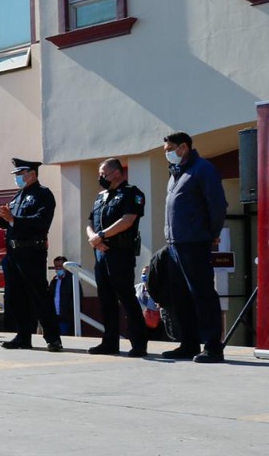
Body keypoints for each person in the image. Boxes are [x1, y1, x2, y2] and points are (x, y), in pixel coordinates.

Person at [161, 131, 228, 363]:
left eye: (169, 149)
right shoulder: (176, 173)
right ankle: (188, 343)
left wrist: (212, 234)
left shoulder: (203, 169)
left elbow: (218, 204)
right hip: (175, 244)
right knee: (180, 296)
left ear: (183, 148)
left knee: (202, 294)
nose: (167, 154)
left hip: (195, 242)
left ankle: (212, 346)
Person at [0, 158, 63, 352]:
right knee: (15, 296)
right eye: (16, 175)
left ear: (32, 174)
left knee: (39, 295)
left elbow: (41, 221)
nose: (17, 178)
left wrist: (13, 218)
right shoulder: (18, 197)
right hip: (13, 252)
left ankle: (53, 338)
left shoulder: (43, 194)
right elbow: (8, 224)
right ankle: (23, 336)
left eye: (20, 174)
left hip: (32, 251)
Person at [86, 157, 149, 357]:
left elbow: (128, 220)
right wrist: (94, 239)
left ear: (116, 173)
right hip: (100, 253)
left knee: (127, 298)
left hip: (120, 253)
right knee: (106, 299)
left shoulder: (131, 193)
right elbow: (90, 223)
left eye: (103, 174)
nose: (100, 178)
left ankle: (138, 343)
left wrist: (102, 236)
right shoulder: (100, 197)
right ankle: (109, 342)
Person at [49, 256, 75, 336]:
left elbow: (76, 299)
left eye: (60, 266)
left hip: (66, 318)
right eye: (56, 266)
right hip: (55, 316)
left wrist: (70, 315)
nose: (58, 269)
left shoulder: (72, 280)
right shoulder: (54, 281)